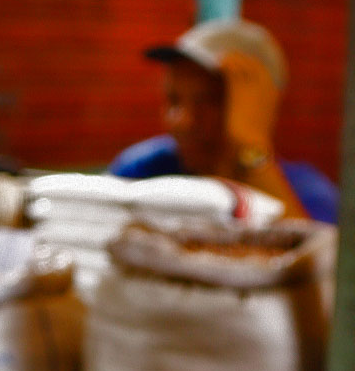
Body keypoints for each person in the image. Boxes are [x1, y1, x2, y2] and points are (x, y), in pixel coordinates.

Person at [109, 18, 339, 223]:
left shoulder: (309, 193)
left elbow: (314, 257)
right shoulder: (142, 170)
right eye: (173, 100)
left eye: (207, 102)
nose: (181, 121)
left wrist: (251, 149)